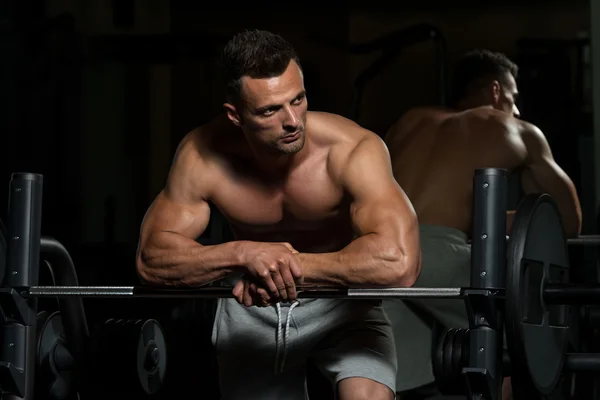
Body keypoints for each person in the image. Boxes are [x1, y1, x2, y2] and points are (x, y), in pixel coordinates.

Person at [136, 29, 422, 400]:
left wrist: (282, 265)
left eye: (298, 99)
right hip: (252, 304)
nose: (292, 121)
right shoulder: (201, 154)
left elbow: (399, 263)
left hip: (343, 302)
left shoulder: (352, 149)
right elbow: (151, 259)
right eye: (270, 110)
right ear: (235, 115)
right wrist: (242, 254)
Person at [382, 49, 582, 399]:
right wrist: (510, 223)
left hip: (380, 251)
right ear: (495, 91)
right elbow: (568, 221)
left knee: (395, 376)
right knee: (511, 346)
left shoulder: (408, 122)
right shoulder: (513, 127)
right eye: (513, 97)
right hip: (437, 251)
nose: (516, 109)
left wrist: (489, 220)